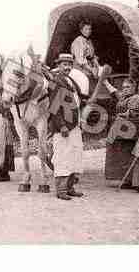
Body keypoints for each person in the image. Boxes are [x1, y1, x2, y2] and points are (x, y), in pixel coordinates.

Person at [49, 53, 84, 200]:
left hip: (74, 125)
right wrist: (62, 126)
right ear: (58, 66)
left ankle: (70, 187)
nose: (67, 67)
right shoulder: (57, 82)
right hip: (63, 128)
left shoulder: (70, 81)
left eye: (70, 64)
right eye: (64, 64)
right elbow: (54, 107)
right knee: (62, 156)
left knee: (75, 155)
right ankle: (61, 190)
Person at [103, 78, 139, 188]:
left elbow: (130, 112)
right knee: (120, 152)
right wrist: (105, 81)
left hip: (131, 129)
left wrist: (119, 116)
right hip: (121, 128)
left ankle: (130, 180)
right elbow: (114, 92)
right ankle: (123, 178)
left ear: (134, 88)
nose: (125, 89)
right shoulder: (124, 97)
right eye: (124, 87)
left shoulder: (136, 98)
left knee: (127, 152)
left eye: (128, 87)